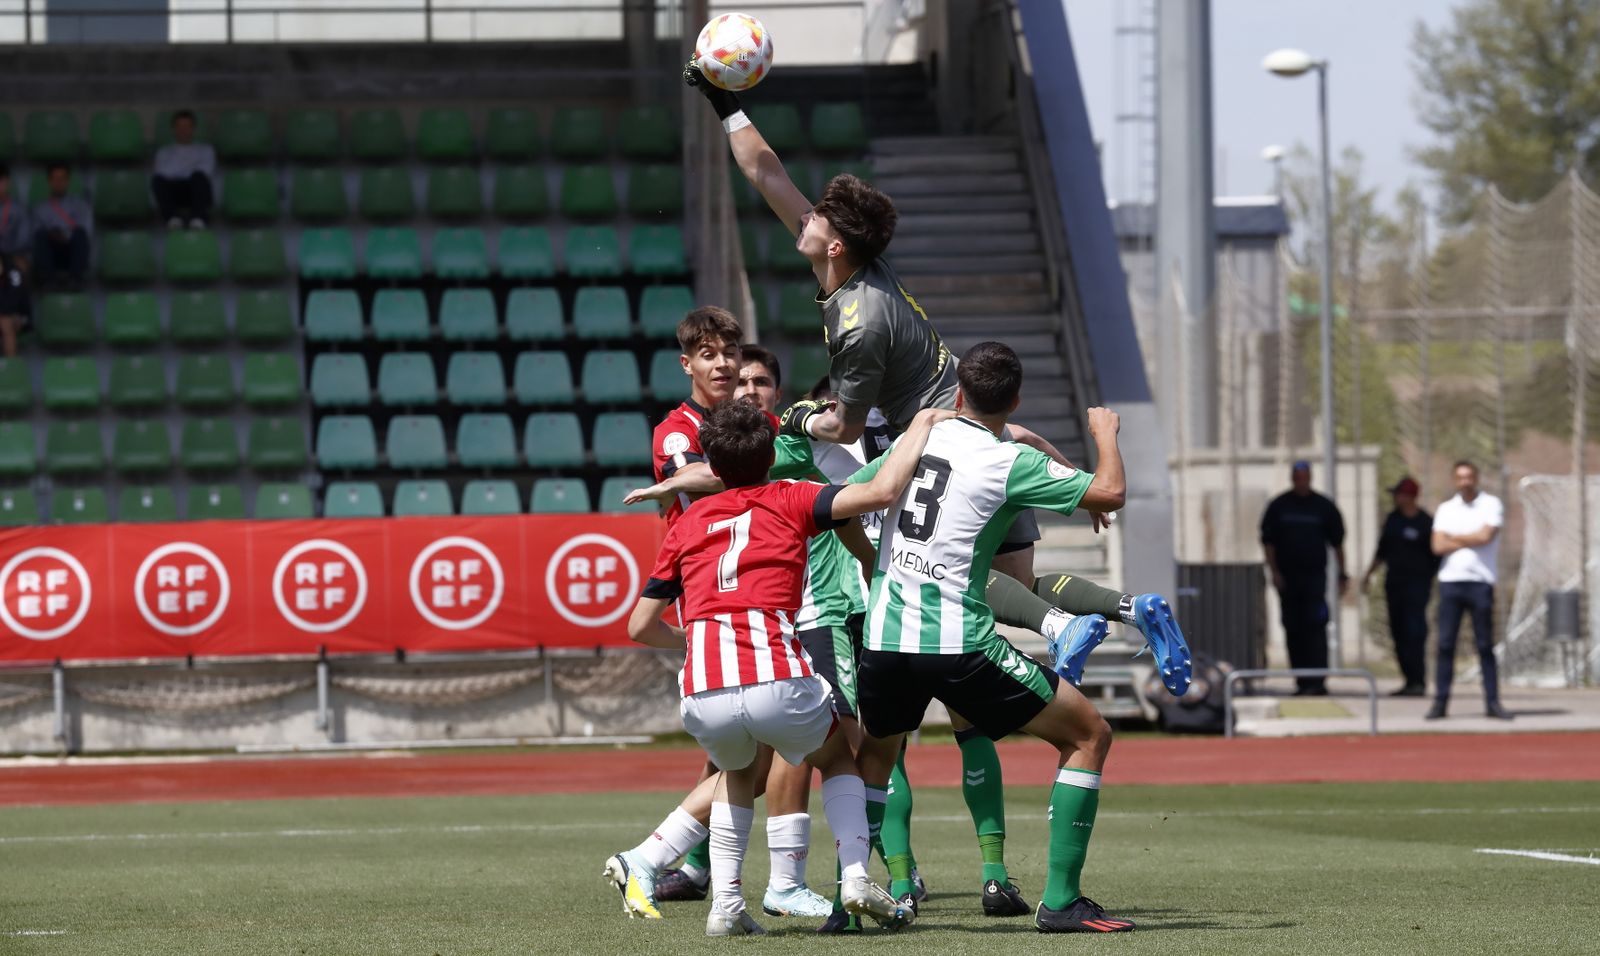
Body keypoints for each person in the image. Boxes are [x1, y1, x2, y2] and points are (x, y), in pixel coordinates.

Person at [685, 62, 1190, 915]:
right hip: (967, 436)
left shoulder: (858, 320)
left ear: (835, 244)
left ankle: (1068, 624)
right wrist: (729, 103)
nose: (801, 224)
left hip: (937, 451)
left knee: (917, 635)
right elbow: (770, 175)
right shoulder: (849, 274)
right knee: (971, 638)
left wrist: (783, 418)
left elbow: (841, 428)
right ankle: (1091, 617)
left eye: (816, 223)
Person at [625, 398, 944, 935]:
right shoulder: (791, 496)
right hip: (775, 672)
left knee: (735, 773)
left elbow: (639, 627)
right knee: (839, 755)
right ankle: (855, 876)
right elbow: (882, 492)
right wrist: (923, 423)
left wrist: (697, 639)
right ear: (772, 453)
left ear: (713, 466)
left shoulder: (688, 522)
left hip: (703, 687)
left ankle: (726, 905)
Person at [848, 342, 1137, 933]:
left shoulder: (919, 439)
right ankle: (1060, 903)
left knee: (873, 759)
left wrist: (880, 564)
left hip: (884, 636)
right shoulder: (1007, 462)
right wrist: (1104, 433)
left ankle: (848, 902)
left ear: (957, 392)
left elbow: (845, 505)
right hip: (958, 644)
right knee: (1088, 734)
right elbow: (1109, 493)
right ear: (1017, 399)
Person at [604, 308, 833, 924]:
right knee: (775, 745)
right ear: (688, 365)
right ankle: (689, 864)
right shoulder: (678, 430)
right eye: (709, 355)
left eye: (730, 352)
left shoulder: (752, 419)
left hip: (752, 581)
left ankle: (701, 875)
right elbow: (708, 475)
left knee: (738, 760)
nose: (725, 364)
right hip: (717, 584)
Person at [1428, 461, 1510, 720]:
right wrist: (1469, 537)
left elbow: (1486, 537)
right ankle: (1440, 703)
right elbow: (1437, 546)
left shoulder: (1491, 504)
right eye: (1460, 478)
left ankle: (1492, 703)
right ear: (1455, 480)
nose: (1465, 482)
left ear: (1476, 478)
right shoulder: (1445, 509)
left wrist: (1454, 537)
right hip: (1451, 582)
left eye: (1469, 477)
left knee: (1485, 644)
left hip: (1481, 583)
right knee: (1445, 644)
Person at [1260, 460, 1348, 695]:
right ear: (1292, 478)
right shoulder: (1279, 506)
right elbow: (1268, 543)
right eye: (1297, 476)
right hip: (1288, 580)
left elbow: (1337, 543)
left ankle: (1317, 682)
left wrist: (1342, 573)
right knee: (1293, 629)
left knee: (1316, 627)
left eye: (1305, 476)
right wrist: (1275, 572)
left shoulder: (1323, 507)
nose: (1301, 481)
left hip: (1314, 581)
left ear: (1310, 478)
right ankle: (1301, 681)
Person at [1361, 476, 1436, 696]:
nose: (1395, 498)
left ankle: (1418, 680)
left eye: (1398, 494)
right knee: (1399, 632)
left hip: (1417, 588)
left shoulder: (1426, 523)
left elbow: (1435, 557)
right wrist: (1368, 574)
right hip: (1394, 585)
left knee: (1415, 632)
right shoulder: (1393, 519)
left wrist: (1427, 578)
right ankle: (1408, 680)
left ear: (1410, 496)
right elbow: (1381, 550)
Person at [151, 109, 216, 229]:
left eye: (187, 126)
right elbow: (161, 172)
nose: (183, 130)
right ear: (173, 129)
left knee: (198, 178)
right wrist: (190, 167)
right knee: (158, 180)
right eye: (180, 126)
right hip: (174, 192)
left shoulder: (206, 150)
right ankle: (172, 219)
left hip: (195, 190)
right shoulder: (164, 152)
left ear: (193, 128)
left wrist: (177, 170)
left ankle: (198, 219)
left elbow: (205, 171)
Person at [31, 163, 91, 288]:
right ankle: (48, 281)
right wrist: (52, 234)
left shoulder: (80, 205)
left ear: (68, 181)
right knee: (40, 236)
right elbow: (34, 233)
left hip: (72, 251)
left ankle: (76, 280)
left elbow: (86, 231)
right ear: (49, 181)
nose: (59, 182)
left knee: (80, 234)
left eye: (62, 178)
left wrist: (66, 235)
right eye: (55, 178)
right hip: (51, 253)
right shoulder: (40, 208)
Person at [0, 164, 32, 357]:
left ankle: (21, 314)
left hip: (11, 258)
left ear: (7, 182)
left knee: (20, 267)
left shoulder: (18, 210)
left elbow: (24, 240)